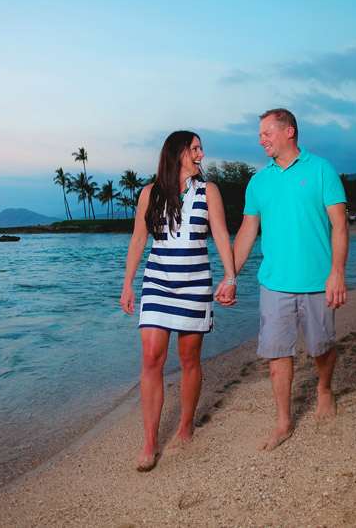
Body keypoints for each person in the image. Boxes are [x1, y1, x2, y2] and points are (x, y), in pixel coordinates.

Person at [120, 131, 238, 471]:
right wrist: (127, 285)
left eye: (201, 148)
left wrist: (230, 278)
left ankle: (186, 422)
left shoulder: (208, 191)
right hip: (157, 282)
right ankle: (150, 440)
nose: (202, 154)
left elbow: (219, 235)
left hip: (195, 284)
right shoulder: (149, 194)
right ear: (178, 153)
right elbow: (138, 240)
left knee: (189, 359)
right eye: (196, 148)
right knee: (151, 358)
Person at [233, 108, 348, 451]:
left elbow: (340, 224)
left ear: (289, 132)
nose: (261, 140)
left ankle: (324, 389)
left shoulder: (321, 169)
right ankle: (283, 421)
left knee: (322, 347)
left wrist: (337, 273)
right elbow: (247, 231)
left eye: (267, 133)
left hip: (317, 280)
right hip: (274, 283)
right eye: (259, 135)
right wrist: (230, 276)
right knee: (276, 353)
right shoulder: (258, 181)